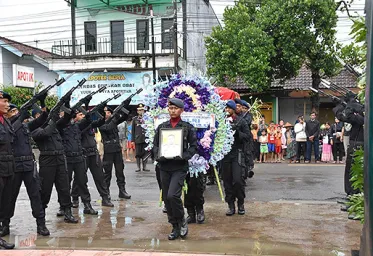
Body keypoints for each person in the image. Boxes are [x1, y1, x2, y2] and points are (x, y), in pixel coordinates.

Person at [153, 98, 197, 240]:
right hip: (164, 166)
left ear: (181, 110)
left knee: (173, 195)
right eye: (170, 108)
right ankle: (174, 226)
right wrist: (158, 155)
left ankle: (182, 220)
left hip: (179, 166)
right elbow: (155, 146)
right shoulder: (161, 127)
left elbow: (194, 146)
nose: (172, 111)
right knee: (167, 198)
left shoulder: (187, 127)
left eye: (175, 108)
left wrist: (184, 156)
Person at [3, 102, 50, 237]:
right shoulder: (7, 126)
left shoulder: (25, 126)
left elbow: (42, 119)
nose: (17, 114)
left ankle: (41, 224)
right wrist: (20, 116)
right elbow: (12, 129)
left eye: (18, 111)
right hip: (14, 166)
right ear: (7, 114)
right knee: (10, 197)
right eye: (13, 112)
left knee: (35, 195)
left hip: (29, 165)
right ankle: (5, 224)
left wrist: (42, 104)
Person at [31, 99, 79, 224]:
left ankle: (67, 212)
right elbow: (46, 133)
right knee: (45, 190)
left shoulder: (55, 125)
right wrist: (51, 118)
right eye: (40, 115)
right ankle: (41, 218)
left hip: (60, 159)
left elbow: (67, 117)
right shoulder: (34, 129)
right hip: (48, 160)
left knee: (64, 187)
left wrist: (66, 103)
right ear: (36, 116)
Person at [61, 109, 98, 215]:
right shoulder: (61, 127)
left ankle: (87, 205)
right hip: (67, 159)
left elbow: (88, 120)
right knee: (65, 184)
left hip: (79, 158)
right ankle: (64, 207)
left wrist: (85, 107)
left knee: (82, 182)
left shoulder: (77, 126)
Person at [75, 109, 114, 207]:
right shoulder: (76, 126)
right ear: (75, 117)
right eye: (80, 115)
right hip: (82, 154)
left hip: (93, 153)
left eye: (83, 115)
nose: (83, 116)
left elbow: (100, 122)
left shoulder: (90, 124)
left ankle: (105, 198)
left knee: (100, 177)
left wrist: (99, 111)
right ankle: (74, 198)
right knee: (79, 178)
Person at [222, 100, 250, 216]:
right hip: (225, 155)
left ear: (233, 109)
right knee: (227, 181)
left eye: (229, 108)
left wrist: (238, 133)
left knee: (238, 180)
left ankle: (241, 203)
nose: (227, 110)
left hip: (237, 153)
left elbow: (248, 136)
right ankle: (231, 205)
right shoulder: (221, 121)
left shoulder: (241, 121)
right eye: (226, 108)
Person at [99, 106, 131, 200]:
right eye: (106, 112)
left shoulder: (114, 120)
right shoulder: (101, 123)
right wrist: (114, 117)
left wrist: (124, 106)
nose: (107, 114)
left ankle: (122, 191)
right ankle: (106, 193)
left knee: (120, 171)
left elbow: (124, 117)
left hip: (117, 149)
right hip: (108, 150)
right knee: (107, 173)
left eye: (109, 112)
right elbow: (108, 128)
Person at [0, 91, 16, 249]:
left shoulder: (5, 121)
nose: (7, 104)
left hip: (7, 168)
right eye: (4, 101)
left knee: (4, 204)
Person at [132, 104, 149, 172]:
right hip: (138, 139)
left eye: (141, 110)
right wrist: (132, 140)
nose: (140, 111)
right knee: (138, 154)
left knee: (145, 153)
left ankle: (144, 167)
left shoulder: (147, 118)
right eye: (139, 110)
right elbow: (133, 130)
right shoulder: (135, 119)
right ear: (137, 111)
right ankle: (138, 167)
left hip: (145, 138)